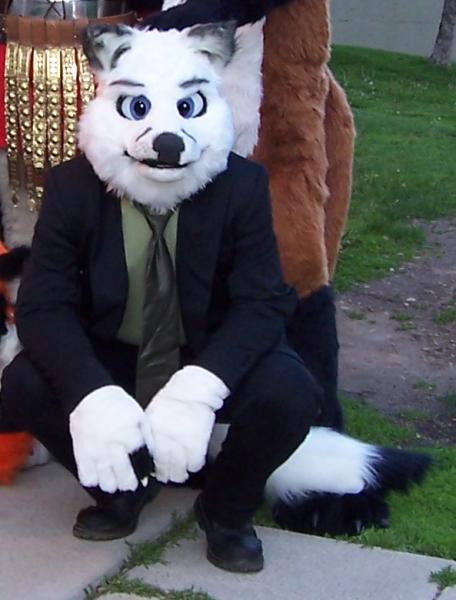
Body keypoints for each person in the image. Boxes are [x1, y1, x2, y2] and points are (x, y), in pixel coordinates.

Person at [0, 22, 321, 573]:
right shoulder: (73, 187)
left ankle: (225, 509)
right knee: (24, 382)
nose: (165, 138)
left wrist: (200, 389)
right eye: (139, 108)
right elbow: (43, 304)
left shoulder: (241, 186)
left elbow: (263, 302)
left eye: (187, 108)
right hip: (116, 354)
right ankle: (121, 488)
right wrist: (92, 395)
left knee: (290, 391)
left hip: (204, 351)